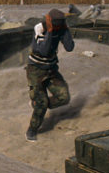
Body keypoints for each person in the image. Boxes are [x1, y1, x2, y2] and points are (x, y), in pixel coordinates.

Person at [25, 9, 74, 142]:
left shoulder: (61, 28)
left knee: (64, 97)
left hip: (51, 70)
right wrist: (52, 32)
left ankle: (38, 103)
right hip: (35, 70)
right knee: (42, 104)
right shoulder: (39, 28)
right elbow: (44, 51)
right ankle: (32, 130)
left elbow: (70, 47)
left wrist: (65, 30)